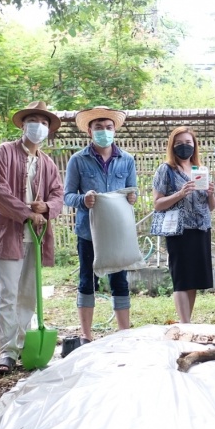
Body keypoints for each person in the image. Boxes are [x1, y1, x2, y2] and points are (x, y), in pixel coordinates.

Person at [0, 101, 66, 375]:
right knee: (7, 294)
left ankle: (23, 344)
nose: (38, 126)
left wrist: (47, 207)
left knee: (29, 295)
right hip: (7, 233)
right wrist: (26, 213)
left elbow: (58, 194)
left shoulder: (47, 163)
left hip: (36, 237)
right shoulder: (4, 153)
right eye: (33, 121)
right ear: (22, 124)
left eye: (44, 123)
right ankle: (7, 352)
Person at [64, 106, 137, 340]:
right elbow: (67, 196)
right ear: (89, 131)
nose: (104, 131)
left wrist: (132, 196)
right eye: (98, 127)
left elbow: (132, 191)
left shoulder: (127, 160)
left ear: (114, 130)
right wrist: (83, 200)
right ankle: (86, 336)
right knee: (87, 281)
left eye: (108, 127)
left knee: (120, 281)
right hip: (88, 232)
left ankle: (124, 334)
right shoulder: (78, 160)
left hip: (118, 232)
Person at [152, 127, 215, 322]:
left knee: (194, 279)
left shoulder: (200, 170)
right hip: (178, 231)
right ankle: (184, 323)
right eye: (179, 143)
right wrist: (180, 194)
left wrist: (211, 194)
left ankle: (187, 322)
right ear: (172, 146)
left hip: (201, 229)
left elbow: (210, 207)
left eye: (188, 142)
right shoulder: (166, 170)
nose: (184, 146)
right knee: (181, 279)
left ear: (194, 145)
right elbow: (157, 203)